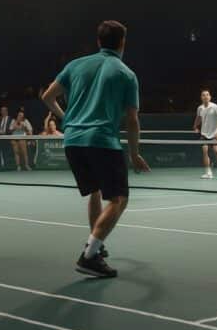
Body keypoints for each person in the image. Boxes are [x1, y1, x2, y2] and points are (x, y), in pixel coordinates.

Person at [41, 20, 150, 279]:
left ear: (99, 41)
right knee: (119, 199)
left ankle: (97, 246)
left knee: (95, 192)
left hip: (73, 142)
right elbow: (132, 120)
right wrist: (134, 153)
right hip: (101, 141)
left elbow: (47, 97)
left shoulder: (75, 65)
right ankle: (89, 255)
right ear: (123, 43)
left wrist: (66, 119)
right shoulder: (126, 74)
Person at [193, 89, 217, 179]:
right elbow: (198, 118)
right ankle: (208, 173)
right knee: (204, 152)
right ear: (201, 97)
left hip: (215, 134)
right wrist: (195, 126)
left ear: (210, 97)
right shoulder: (200, 108)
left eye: (207, 95)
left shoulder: (215, 107)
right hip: (204, 134)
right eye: (203, 95)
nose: (205, 96)